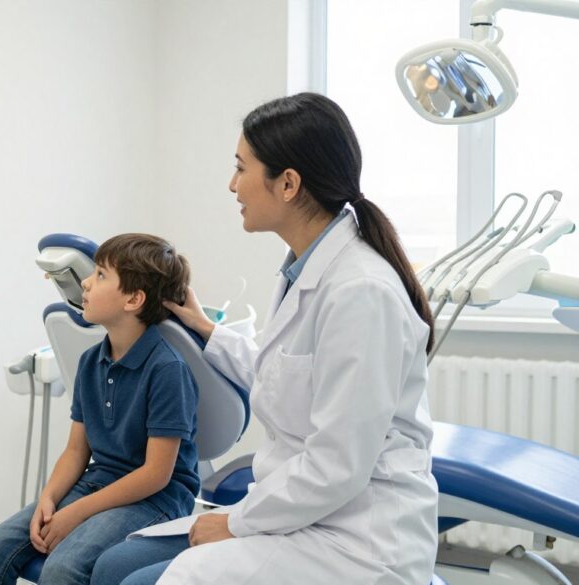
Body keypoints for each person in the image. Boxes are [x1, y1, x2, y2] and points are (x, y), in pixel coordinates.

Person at [91, 92, 439, 584]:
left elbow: (338, 465)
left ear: (289, 184)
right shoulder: (303, 270)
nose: (233, 185)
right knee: (114, 566)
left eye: (241, 168)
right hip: (303, 509)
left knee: (136, 580)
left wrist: (235, 523)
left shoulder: (361, 291)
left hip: (358, 537)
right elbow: (287, 376)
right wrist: (208, 331)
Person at [0, 233, 200, 585]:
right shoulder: (91, 361)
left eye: (101, 276)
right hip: (97, 483)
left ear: (134, 299)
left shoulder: (166, 369)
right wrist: (48, 498)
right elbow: (77, 451)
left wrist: (75, 512)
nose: (87, 283)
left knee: (63, 568)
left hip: (156, 499)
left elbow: (156, 474)